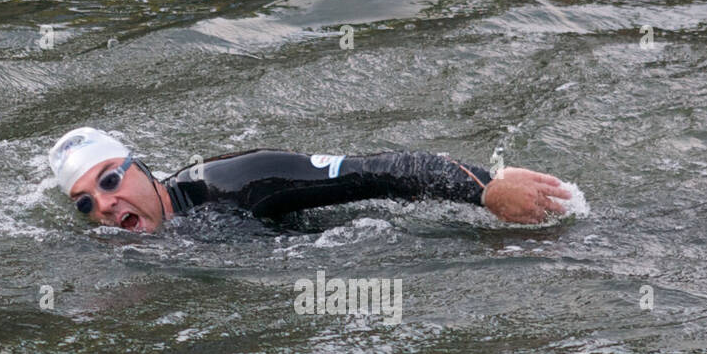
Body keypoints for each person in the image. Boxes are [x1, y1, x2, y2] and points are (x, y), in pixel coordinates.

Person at [48, 127, 574, 233]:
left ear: (139, 167)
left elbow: (380, 171)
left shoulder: (240, 181)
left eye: (110, 180)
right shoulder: (116, 249)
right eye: (85, 203)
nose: (106, 204)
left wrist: (484, 190)